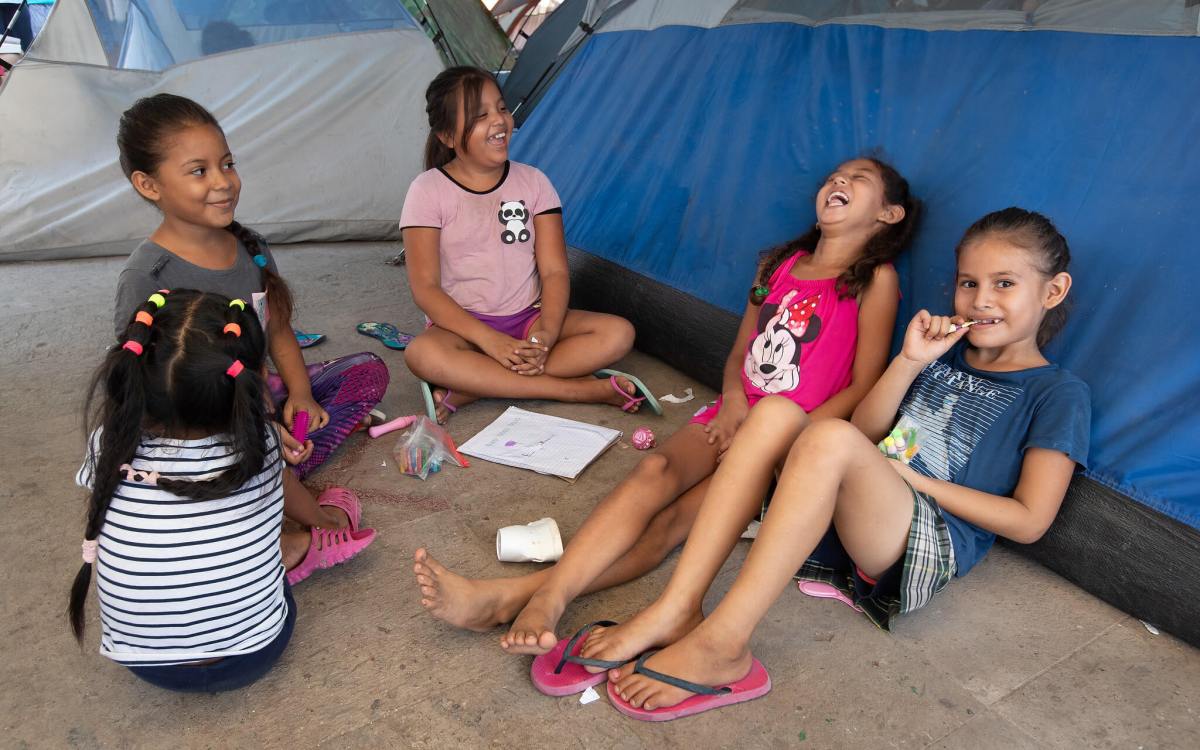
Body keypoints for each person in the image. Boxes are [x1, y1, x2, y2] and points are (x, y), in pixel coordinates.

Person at [413, 156, 921, 660]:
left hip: (789, 442)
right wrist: (734, 403)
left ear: (889, 214)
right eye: (834, 175)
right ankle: (549, 596)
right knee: (654, 471)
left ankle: (510, 595)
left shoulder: (874, 280)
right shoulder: (780, 264)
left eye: (858, 180)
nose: (838, 181)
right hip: (733, 415)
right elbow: (742, 351)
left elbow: (863, 384)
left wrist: (790, 437)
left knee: (673, 524)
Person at [601, 207, 1090, 719]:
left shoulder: (1058, 393)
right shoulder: (942, 356)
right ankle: (677, 607)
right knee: (774, 413)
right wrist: (909, 362)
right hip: (861, 506)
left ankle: (723, 644)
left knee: (829, 438)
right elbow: (866, 433)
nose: (981, 299)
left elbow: (1030, 521)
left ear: (1052, 292)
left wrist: (907, 477)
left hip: (925, 541)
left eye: (1005, 283)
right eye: (969, 283)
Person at [68, 291, 375, 692]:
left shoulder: (107, 442)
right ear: (250, 381)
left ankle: (280, 548)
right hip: (255, 653)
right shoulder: (261, 443)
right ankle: (302, 544)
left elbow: (117, 515)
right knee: (262, 520)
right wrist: (327, 519)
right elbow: (287, 492)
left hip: (146, 665)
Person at [112, 93, 388, 481]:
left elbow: (277, 331)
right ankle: (273, 469)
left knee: (367, 371)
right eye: (198, 171)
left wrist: (301, 396)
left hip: (261, 397)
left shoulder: (251, 247)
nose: (223, 182)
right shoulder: (149, 276)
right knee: (206, 450)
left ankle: (279, 464)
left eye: (227, 164)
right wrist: (249, 425)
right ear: (148, 184)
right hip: (202, 422)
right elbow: (150, 394)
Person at [400, 66, 651, 423]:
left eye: (501, 108)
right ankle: (576, 389)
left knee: (617, 334)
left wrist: (546, 333)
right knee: (422, 354)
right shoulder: (427, 191)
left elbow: (554, 270)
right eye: (480, 116)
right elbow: (425, 288)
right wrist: (489, 341)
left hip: (529, 320)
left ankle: (474, 386)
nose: (499, 121)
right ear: (447, 135)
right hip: (463, 330)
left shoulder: (534, 182)